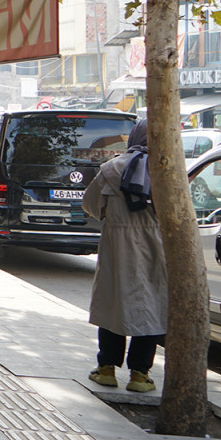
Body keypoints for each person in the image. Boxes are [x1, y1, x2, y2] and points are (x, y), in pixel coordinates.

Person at [82, 120, 168, 393]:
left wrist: (112, 215)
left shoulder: (111, 169)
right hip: (155, 249)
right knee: (150, 307)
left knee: (113, 304)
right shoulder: (166, 170)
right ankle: (140, 375)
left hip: (116, 248)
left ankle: (106, 369)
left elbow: (90, 205)